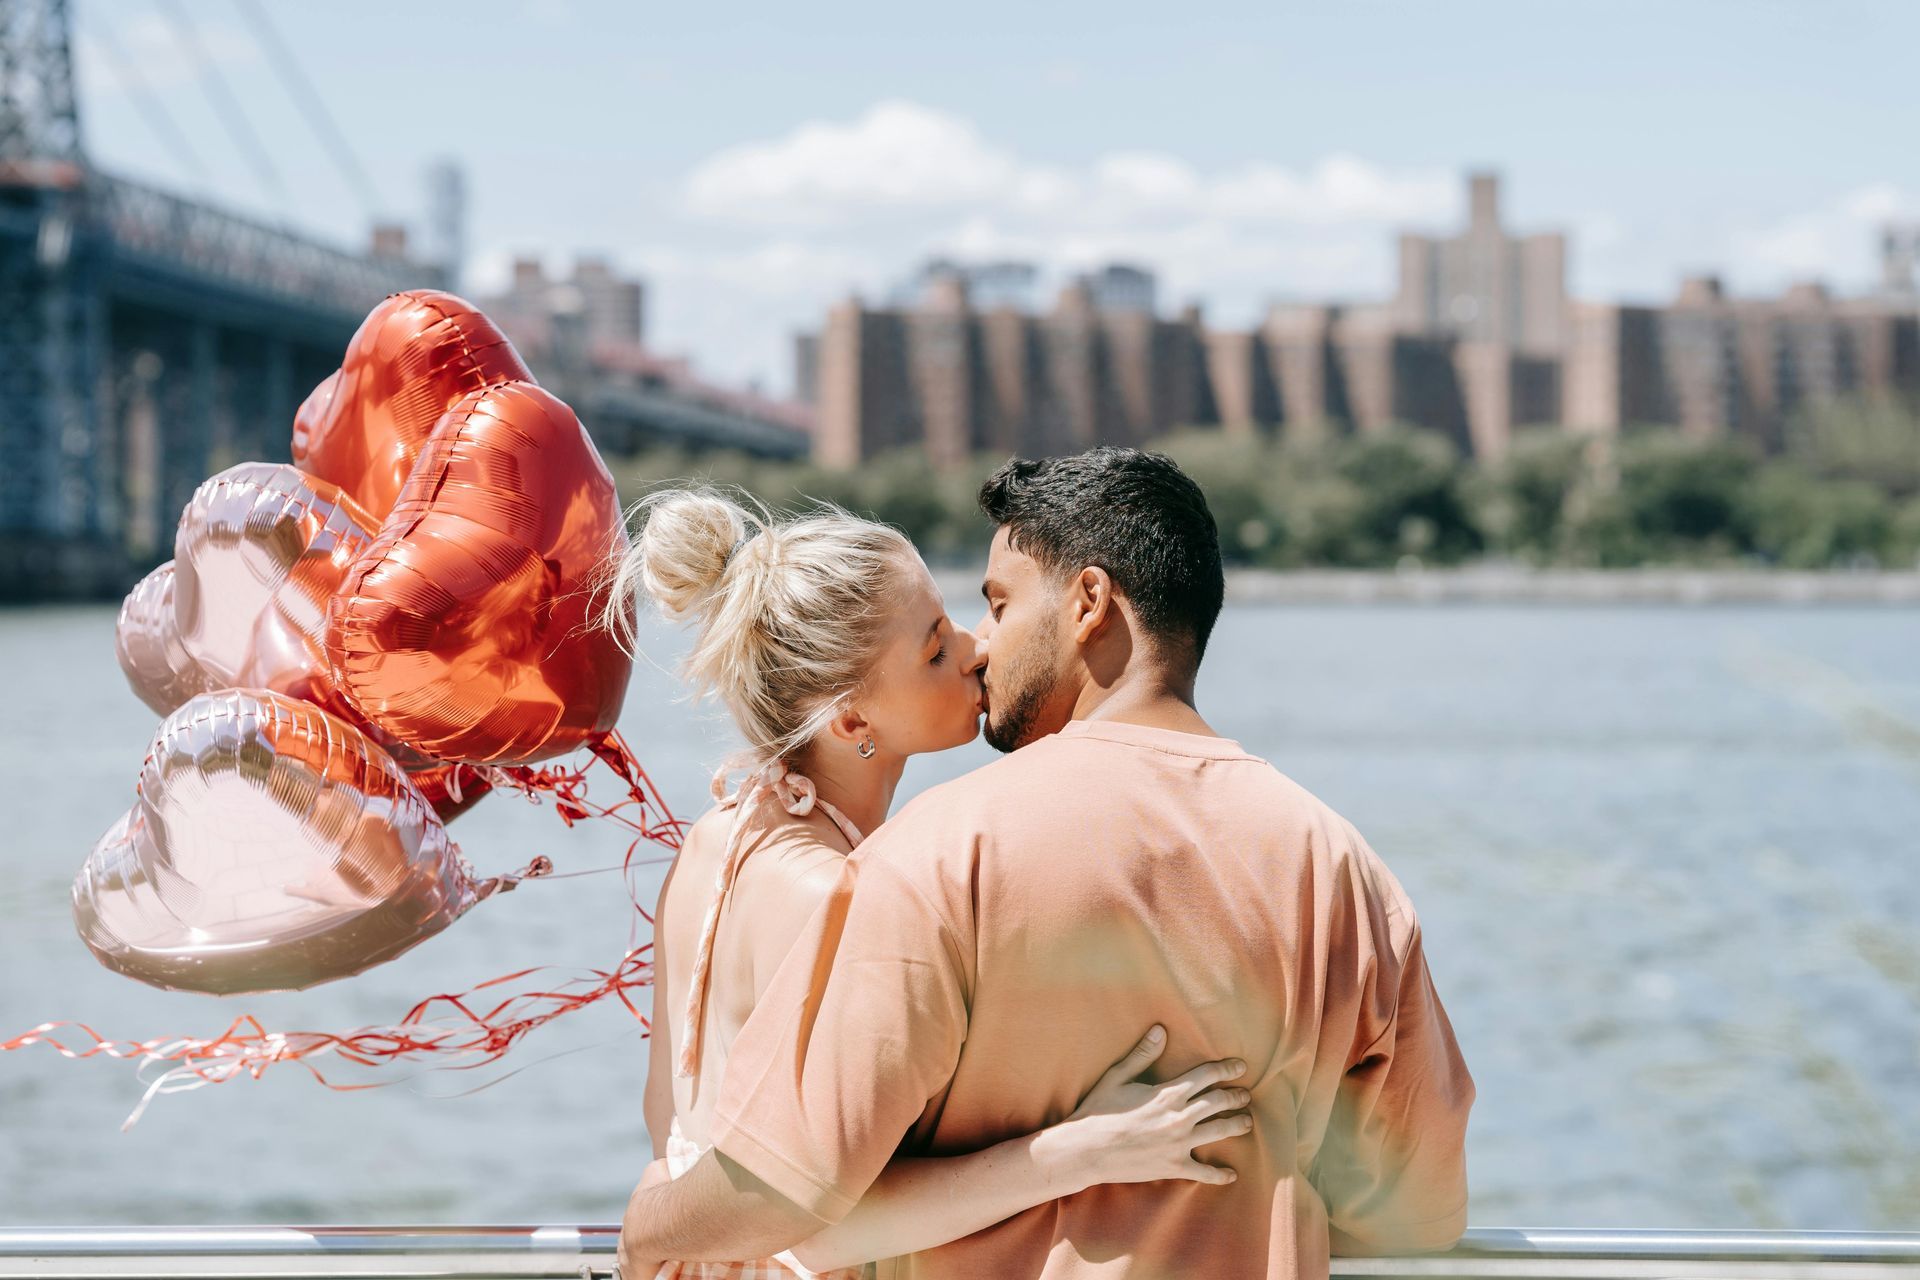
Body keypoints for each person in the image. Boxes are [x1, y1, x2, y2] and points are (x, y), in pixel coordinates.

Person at [615, 448, 1475, 1280]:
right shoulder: (1340, 868)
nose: (980, 644)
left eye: (996, 604)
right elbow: (1416, 1210)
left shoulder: (938, 852)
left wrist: (650, 1219)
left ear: (1088, 602)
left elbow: (787, 1189)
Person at [600, 490, 1258, 1279]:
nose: (978, 648)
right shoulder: (834, 891)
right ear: (850, 723)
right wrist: (1083, 1149)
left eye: (952, 621)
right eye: (935, 649)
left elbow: (667, 1123)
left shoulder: (713, 841)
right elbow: (818, 1228)